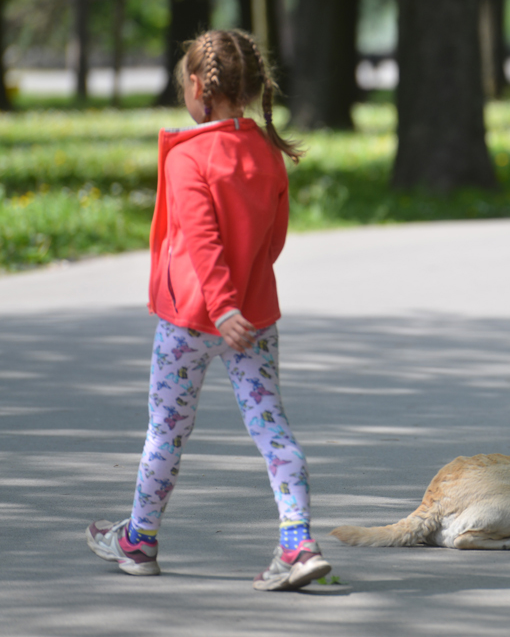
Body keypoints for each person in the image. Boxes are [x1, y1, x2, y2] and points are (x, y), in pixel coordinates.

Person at [86, 29, 331, 591]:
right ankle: (297, 541)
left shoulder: (190, 155)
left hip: (191, 321)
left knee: (166, 434)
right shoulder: (267, 152)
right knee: (272, 429)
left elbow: (201, 239)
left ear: (198, 86)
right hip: (256, 318)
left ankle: (139, 540)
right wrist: (242, 299)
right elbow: (273, 241)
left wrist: (221, 309)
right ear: (248, 88)